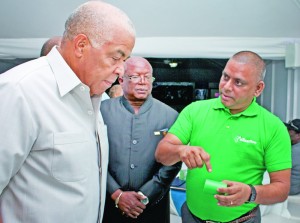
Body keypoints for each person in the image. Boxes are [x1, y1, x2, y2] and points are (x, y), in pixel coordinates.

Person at [0, 1, 135, 223]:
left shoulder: (94, 96)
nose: (121, 70)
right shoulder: (19, 92)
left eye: (125, 60)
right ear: (81, 45)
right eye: (116, 57)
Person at [155, 51, 291, 223]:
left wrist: (250, 193)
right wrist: (181, 150)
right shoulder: (195, 110)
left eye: (238, 82)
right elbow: (161, 154)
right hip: (191, 216)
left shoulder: (273, 127)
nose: (226, 87)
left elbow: (282, 189)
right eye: (225, 77)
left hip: (242, 220)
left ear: (258, 89)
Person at [101, 56, 181, 223]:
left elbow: (173, 161)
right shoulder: (102, 112)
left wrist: (145, 196)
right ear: (121, 80)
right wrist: (117, 193)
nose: (143, 82)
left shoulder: (170, 116)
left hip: (153, 207)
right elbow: (94, 156)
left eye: (147, 77)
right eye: (135, 76)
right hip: (109, 205)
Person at [285, 119, 300, 195]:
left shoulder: (294, 151)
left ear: (298, 135)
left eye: (290, 130)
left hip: (290, 189)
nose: (287, 132)